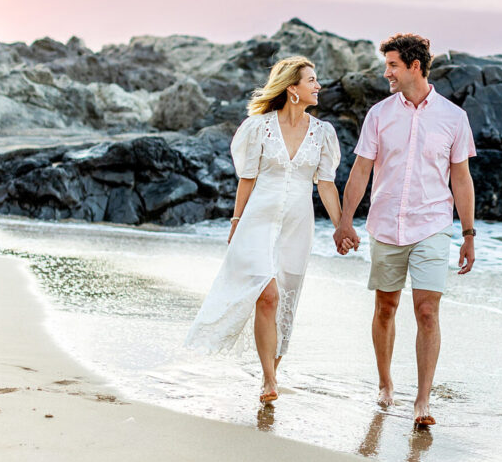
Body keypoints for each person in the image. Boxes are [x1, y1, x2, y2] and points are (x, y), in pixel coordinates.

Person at [334, 33, 477, 427]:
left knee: (427, 310)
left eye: (393, 65)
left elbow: (461, 179)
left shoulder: (453, 118)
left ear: (415, 66)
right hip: (386, 225)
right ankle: (385, 383)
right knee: (386, 307)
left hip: (432, 224)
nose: (387, 73)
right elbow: (361, 169)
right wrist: (345, 221)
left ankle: (423, 402)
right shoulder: (379, 115)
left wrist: (468, 234)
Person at [185, 56, 346, 404]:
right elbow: (248, 179)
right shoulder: (259, 127)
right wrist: (236, 221)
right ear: (292, 89)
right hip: (258, 221)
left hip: (297, 226)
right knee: (267, 294)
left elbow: (327, 185)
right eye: (312, 80)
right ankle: (269, 380)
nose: (318, 87)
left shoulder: (323, 133)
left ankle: (270, 371)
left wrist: (341, 225)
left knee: (286, 297)